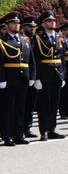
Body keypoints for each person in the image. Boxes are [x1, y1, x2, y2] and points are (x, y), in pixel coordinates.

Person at [0, 12, 36, 146]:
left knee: (20, 108)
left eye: (18, 23)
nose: (17, 25)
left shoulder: (25, 40)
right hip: (9, 79)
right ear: (7, 25)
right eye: (13, 23)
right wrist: (1, 78)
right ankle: (7, 136)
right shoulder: (2, 41)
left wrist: (32, 76)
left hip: (23, 79)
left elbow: (31, 61)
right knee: (8, 109)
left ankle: (18, 135)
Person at [33, 11, 65, 141]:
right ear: (43, 23)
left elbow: (62, 58)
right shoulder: (38, 38)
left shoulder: (59, 37)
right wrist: (37, 78)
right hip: (45, 75)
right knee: (44, 105)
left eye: (53, 20)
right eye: (49, 21)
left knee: (54, 105)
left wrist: (63, 76)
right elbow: (35, 59)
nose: (53, 22)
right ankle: (44, 131)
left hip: (57, 75)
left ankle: (52, 129)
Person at [20, 16, 39, 138]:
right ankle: (17, 129)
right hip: (21, 75)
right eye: (29, 26)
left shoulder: (38, 39)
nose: (32, 29)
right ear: (23, 27)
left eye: (34, 27)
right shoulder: (21, 39)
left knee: (30, 104)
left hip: (34, 75)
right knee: (20, 104)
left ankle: (27, 127)